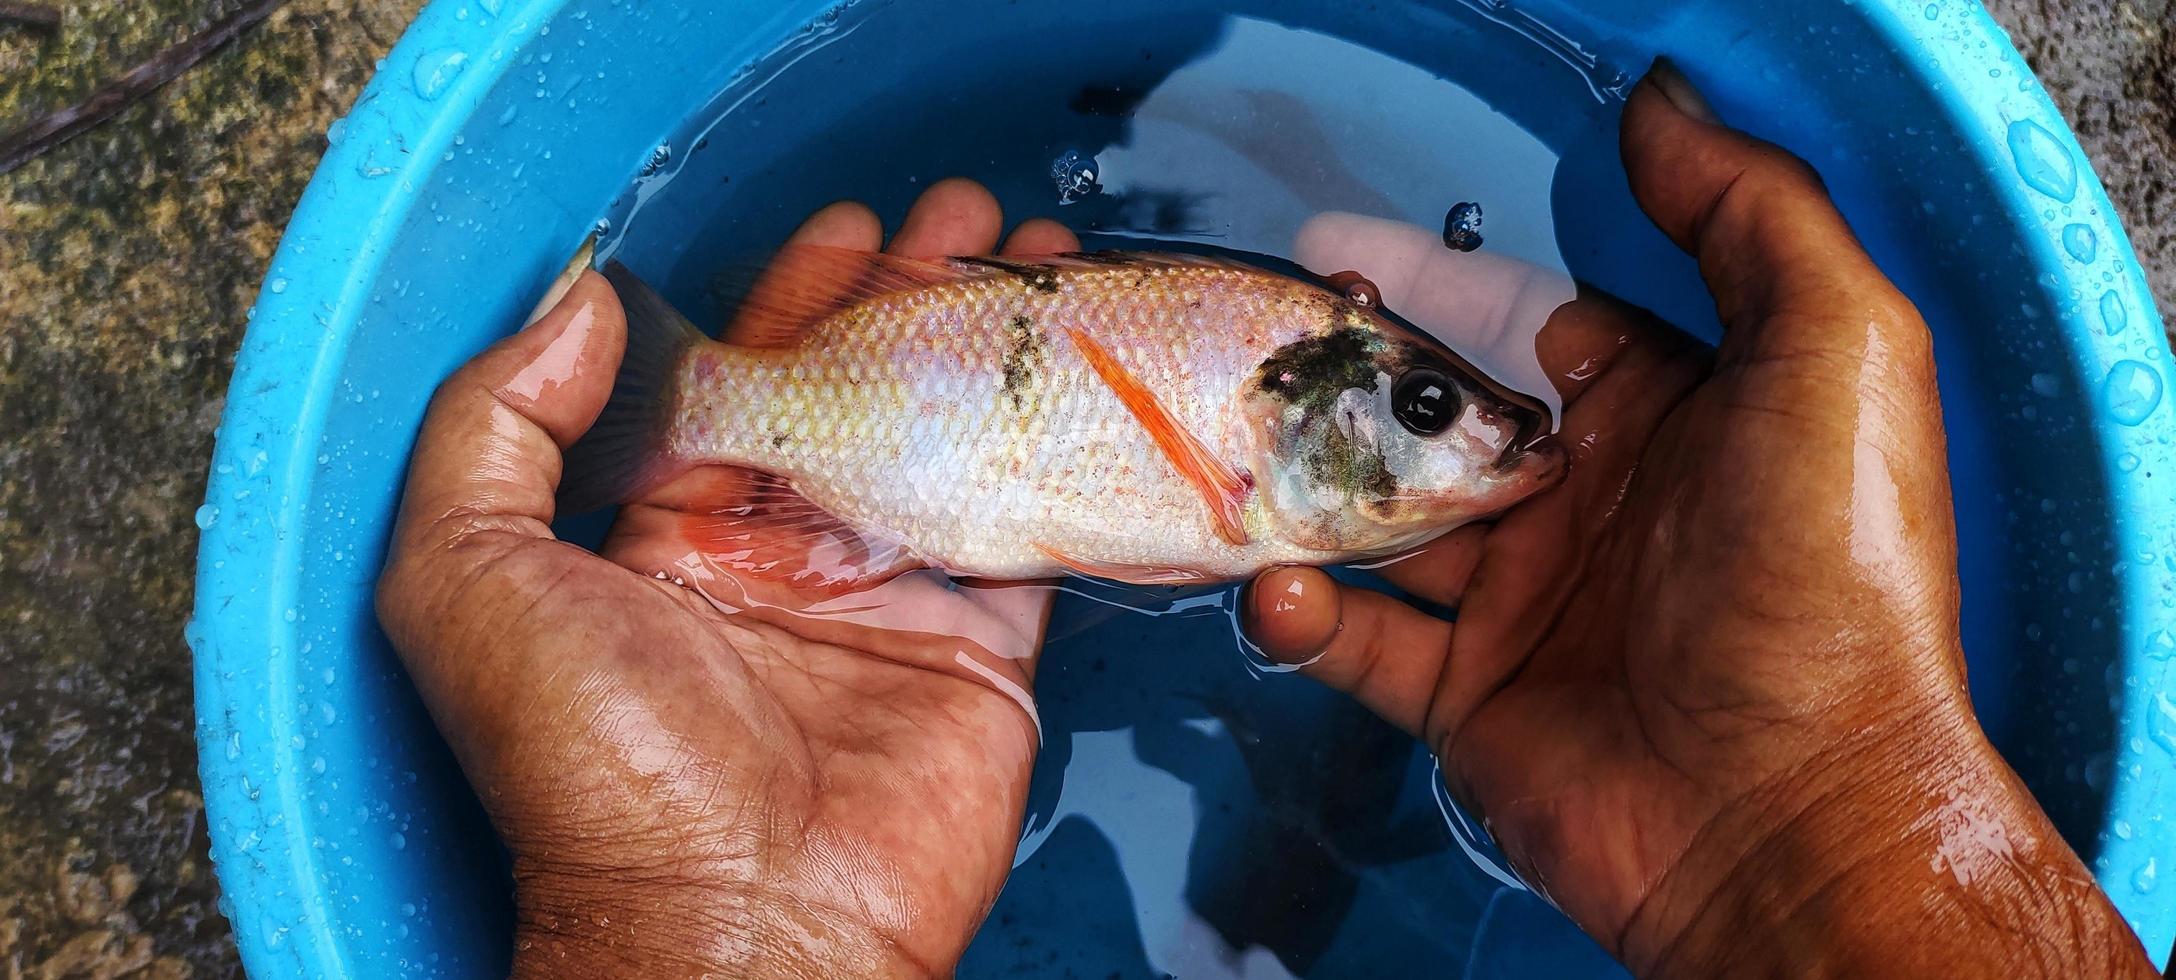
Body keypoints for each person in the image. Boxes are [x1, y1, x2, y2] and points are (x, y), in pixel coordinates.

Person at [374, 62, 2157, 977]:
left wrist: (726, 938)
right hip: (886, 454)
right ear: (1315, 414)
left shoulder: (1278, 461)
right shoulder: (1264, 458)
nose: (1476, 436)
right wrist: (1833, 820)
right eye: (1435, 410)